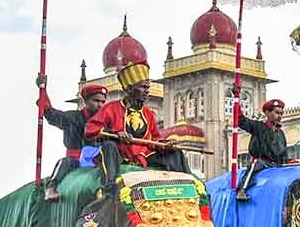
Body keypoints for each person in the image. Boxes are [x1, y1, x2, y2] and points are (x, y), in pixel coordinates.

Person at [85, 61, 189, 192]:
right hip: (120, 154)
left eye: (147, 87)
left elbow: (154, 140)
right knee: (109, 146)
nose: (147, 91)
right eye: (143, 87)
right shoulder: (110, 108)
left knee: (176, 152)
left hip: (143, 156)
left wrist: (166, 144)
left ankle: (189, 185)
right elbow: (90, 128)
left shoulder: (148, 114)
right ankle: (110, 186)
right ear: (129, 89)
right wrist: (116, 134)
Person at [40, 83, 106, 201]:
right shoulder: (72, 117)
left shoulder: (106, 121)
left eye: (102, 102)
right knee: (64, 162)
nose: (100, 105)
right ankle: (51, 188)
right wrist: (43, 89)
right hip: (75, 159)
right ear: (85, 100)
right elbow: (51, 114)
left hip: (99, 160)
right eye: (96, 101)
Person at [236, 99, 290, 202]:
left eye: (281, 113)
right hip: (263, 162)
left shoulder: (281, 133)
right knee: (255, 165)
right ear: (267, 113)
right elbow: (241, 120)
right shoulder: (258, 126)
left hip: (277, 164)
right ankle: (242, 190)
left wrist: (288, 161)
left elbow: (283, 152)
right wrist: (237, 103)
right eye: (277, 113)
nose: (279, 116)